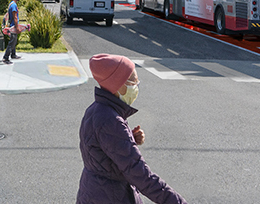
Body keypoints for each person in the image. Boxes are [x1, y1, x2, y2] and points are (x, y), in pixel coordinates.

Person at [78, 54, 187, 204]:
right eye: (133, 81)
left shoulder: (95, 110)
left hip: (94, 192)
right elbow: (140, 175)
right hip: (112, 196)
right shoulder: (112, 121)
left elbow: (101, 149)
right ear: (119, 85)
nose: (136, 85)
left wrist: (128, 139)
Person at [2, 0, 23, 64]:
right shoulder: (14, 5)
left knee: (14, 40)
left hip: (12, 26)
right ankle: (5, 58)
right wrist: (17, 28)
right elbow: (15, 17)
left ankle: (13, 54)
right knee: (12, 42)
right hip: (13, 26)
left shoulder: (11, 3)